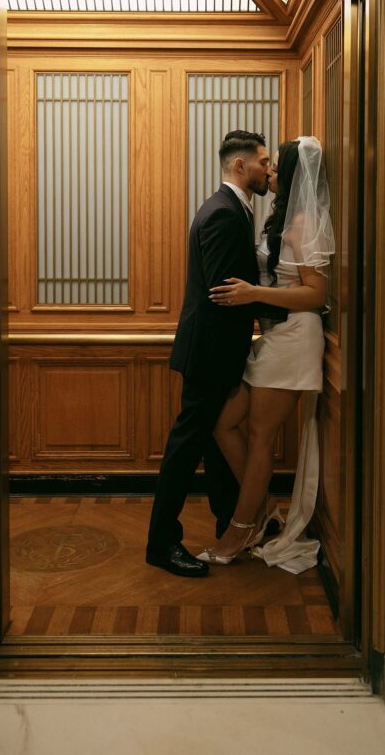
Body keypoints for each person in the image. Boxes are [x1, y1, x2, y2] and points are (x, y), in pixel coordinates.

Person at [197, 136, 335, 572]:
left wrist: (254, 293)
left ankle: (241, 529)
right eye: (266, 165)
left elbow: (317, 293)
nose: (270, 172)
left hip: (296, 337)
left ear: (293, 174)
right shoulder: (283, 220)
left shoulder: (306, 224)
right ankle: (261, 509)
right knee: (224, 422)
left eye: (276, 167)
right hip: (273, 336)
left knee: (259, 436)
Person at [145, 130, 273, 577]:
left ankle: (228, 524)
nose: (267, 169)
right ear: (240, 166)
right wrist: (284, 306)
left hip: (217, 350)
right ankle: (161, 543)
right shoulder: (222, 214)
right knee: (185, 448)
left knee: (214, 445)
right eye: (263, 161)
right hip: (209, 352)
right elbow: (224, 289)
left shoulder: (229, 208)